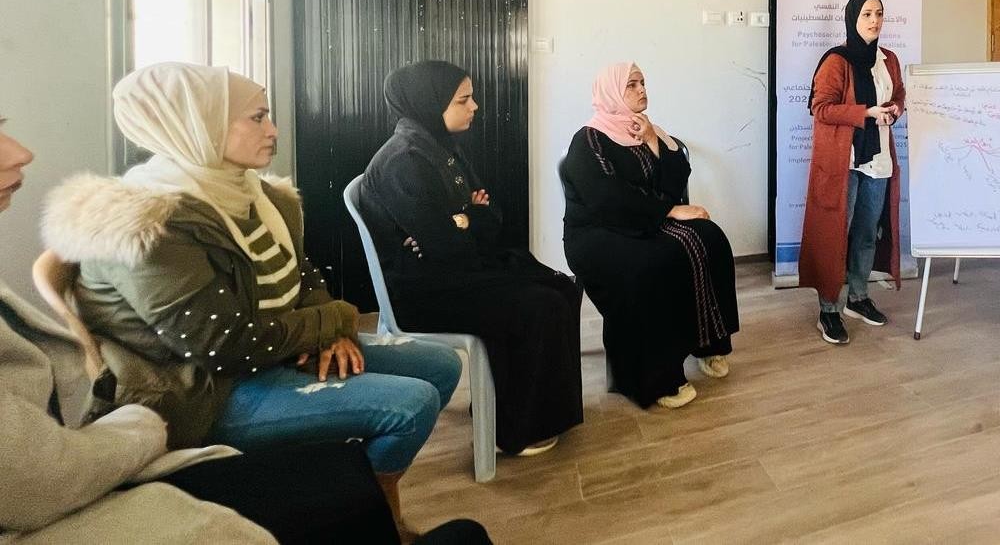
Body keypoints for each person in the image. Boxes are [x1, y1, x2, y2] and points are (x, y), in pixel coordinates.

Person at [1, 119, 490, 544]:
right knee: (408, 405)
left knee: (440, 365)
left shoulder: (251, 195)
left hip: (264, 349)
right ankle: (372, 515)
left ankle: (353, 491)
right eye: (254, 116)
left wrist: (331, 330)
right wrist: (330, 322)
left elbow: (302, 276)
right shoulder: (152, 220)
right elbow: (226, 345)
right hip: (201, 389)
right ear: (197, 125)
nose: (272, 130)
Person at [359, 60, 584, 456]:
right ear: (430, 104)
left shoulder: (440, 146)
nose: (474, 106)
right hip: (422, 290)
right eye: (463, 100)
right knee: (538, 304)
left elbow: (490, 216)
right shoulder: (405, 161)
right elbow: (446, 243)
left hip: (451, 269)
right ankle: (515, 428)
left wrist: (462, 219)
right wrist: (465, 218)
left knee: (560, 286)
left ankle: (536, 408)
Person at [559, 62, 739, 409]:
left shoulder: (645, 130)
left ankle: (708, 343)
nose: (642, 89)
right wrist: (667, 211)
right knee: (652, 264)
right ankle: (656, 377)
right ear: (612, 91)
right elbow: (606, 198)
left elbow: (674, 181)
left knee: (710, 239)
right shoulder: (589, 139)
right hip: (596, 233)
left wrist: (655, 141)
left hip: (643, 221)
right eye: (631, 84)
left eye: (643, 82)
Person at [799, 0, 906, 345]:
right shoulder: (836, 61)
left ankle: (857, 298)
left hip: (877, 158)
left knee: (866, 232)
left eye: (879, 14)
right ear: (852, 19)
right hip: (843, 160)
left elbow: (898, 93)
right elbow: (821, 108)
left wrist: (895, 109)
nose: (875, 21)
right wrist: (866, 113)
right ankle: (829, 309)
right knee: (835, 234)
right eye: (867, 15)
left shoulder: (889, 59)